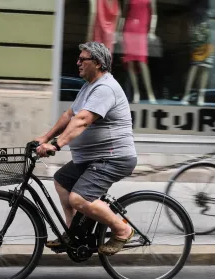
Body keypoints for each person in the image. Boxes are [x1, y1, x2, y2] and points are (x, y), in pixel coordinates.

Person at [33, 41, 137, 256]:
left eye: (83, 59)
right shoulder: (89, 86)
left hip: (112, 157)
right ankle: (74, 234)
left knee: (79, 199)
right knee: (62, 180)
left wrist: (57, 144)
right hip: (93, 157)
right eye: (78, 58)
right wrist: (45, 136)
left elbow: (83, 120)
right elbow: (70, 115)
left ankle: (122, 229)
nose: (78, 62)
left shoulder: (105, 88)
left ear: (98, 63)